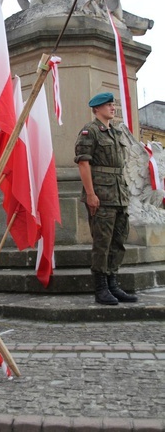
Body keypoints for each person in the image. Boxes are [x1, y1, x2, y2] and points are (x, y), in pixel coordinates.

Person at [74, 92, 138, 305]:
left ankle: (113, 284)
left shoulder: (115, 133)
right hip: (101, 196)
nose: (113, 108)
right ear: (97, 109)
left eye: (113, 105)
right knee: (102, 243)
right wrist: (90, 194)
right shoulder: (90, 131)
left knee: (118, 241)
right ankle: (101, 288)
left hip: (119, 195)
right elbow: (83, 163)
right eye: (109, 105)